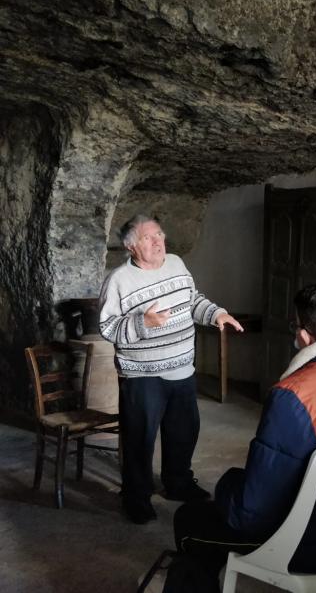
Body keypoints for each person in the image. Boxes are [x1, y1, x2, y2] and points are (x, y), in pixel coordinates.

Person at [145, 282, 316, 593]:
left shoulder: (295, 394)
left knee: (191, 517)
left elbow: (250, 509)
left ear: (304, 335)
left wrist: (226, 485)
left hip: (309, 544)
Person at [99, 214, 244, 524]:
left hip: (181, 367)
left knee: (183, 432)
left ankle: (178, 483)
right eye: (149, 238)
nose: (158, 242)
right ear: (131, 247)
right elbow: (108, 328)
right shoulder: (119, 280)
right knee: (139, 439)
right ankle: (136, 497)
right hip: (142, 374)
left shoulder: (176, 264)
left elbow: (192, 300)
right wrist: (143, 322)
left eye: (160, 235)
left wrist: (216, 314)